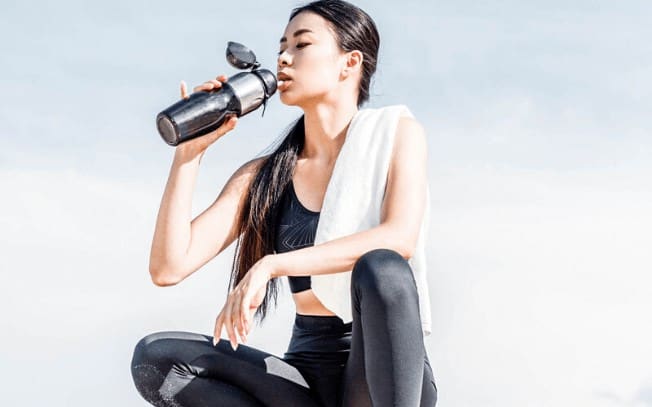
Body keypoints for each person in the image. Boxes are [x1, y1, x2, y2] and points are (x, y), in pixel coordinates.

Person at [130, 0, 437, 406]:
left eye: (301, 45)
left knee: (381, 266)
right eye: (281, 48)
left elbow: (398, 238)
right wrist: (189, 156)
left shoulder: (395, 133)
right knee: (156, 358)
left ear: (350, 62)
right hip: (306, 375)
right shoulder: (265, 175)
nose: (284, 59)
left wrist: (274, 264)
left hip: (382, 375)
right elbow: (168, 268)